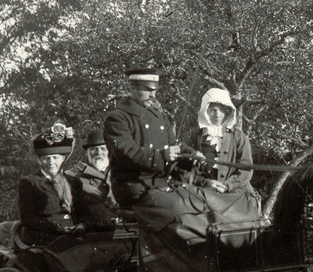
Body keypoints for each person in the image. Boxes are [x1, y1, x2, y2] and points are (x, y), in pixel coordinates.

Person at [102, 68, 249, 245]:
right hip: (135, 187)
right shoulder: (118, 118)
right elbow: (125, 151)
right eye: (147, 90)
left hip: (161, 184)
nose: (152, 94)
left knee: (201, 200)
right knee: (182, 207)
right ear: (132, 88)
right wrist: (161, 156)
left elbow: (174, 144)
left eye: (154, 90)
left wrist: (192, 155)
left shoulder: (158, 116)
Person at [187, 87, 262, 224]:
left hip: (235, 189)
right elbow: (188, 167)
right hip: (205, 187)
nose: (217, 115)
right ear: (205, 111)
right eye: (212, 110)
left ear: (227, 112)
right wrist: (204, 180)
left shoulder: (238, 137)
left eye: (221, 110)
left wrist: (228, 185)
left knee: (242, 217)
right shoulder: (197, 136)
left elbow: (246, 168)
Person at [17, 123, 84, 244]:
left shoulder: (74, 182)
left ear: (62, 159)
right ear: (39, 160)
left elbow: (83, 211)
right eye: (45, 158)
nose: (51, 162)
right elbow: (27, 219)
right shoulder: (29, 183)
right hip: (43, 234)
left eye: (55, 157)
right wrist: (57, 228)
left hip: (72, 232)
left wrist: (82, 225)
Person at [69, 128, 124, 231]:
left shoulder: (122, 174)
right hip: (91, 233)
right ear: (86, 153)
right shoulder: (73, 177)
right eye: (93, 149)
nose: (98, 152)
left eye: (103, 148)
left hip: (122, 232)